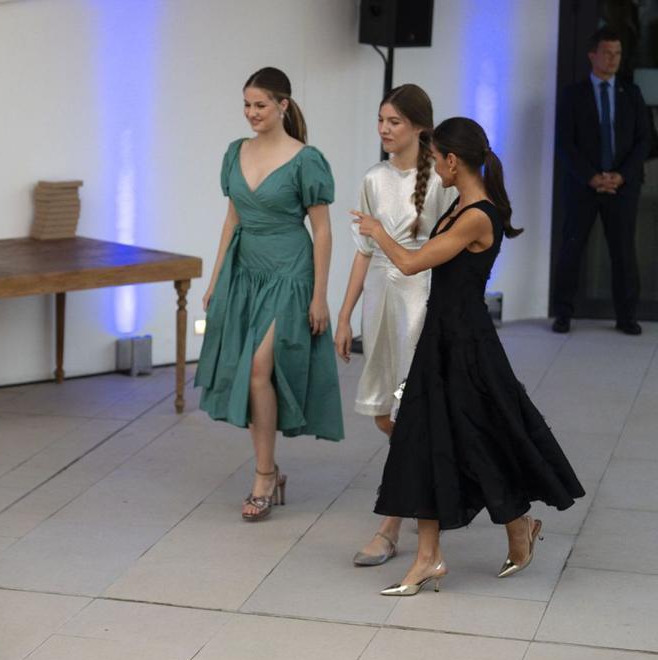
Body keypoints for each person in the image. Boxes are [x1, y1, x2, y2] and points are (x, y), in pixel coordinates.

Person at [353, 117, 585, 596]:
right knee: (425, 439)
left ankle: (515, 528)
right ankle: (430, 557)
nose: (432, 166)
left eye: (436, 159)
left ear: (453, 161)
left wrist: (377, 231)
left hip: (466, 346)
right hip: (442, 338)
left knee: (484, 438)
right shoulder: (462, 203)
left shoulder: (478, 214)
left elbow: (414, 262)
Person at [196, 67, 344, 522]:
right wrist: (216, 277)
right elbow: (231, 220)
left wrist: (320, 296)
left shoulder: (306, 159)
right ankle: (268, 469)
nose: (252, 113)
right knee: (252, 373)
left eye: (260, 105)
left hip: (290, 271)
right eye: (247, 105)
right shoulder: (234, 152)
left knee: (261, 366)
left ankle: (262, 478)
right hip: (245, 270)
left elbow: (321, 231)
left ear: (283, 105)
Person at [336, 84, 456, 566]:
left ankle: (391, 526)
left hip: (420, 299)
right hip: (382, 301)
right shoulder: (373, 178)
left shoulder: (442, 183)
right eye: (381, 120)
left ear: (419, 127)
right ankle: (439, 471)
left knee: (411, 414)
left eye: (394, 122)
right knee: (385, 412)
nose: (384, 130)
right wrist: (344, 315)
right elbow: (364, 256)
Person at [552, 26, 650, 336]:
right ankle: (564, 314)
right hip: (583, 186)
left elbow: (645, 140)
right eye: (607, 53)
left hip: (623, 186)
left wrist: (621, 175)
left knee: (623, 252)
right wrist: (592, 177)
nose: (613, 59)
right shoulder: (572, 95)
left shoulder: (631, 94)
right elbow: (565, 143)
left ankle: (626, 316)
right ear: (592, 55)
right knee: (572, 248)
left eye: (617, 53)